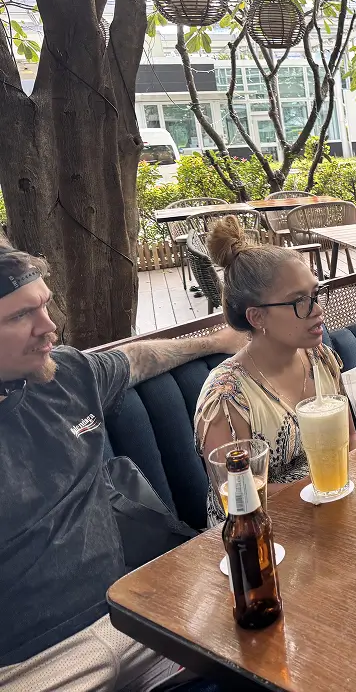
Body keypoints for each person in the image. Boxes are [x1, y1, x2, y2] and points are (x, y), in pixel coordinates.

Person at [0, 242, 248, 690]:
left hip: (138, 610)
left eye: (45, 305)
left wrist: (218, 341)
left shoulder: (65, 374)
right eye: (20, 316)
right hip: (37, 663)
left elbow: (138, 359)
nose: (49, 327)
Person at [194, 216, 356, 525]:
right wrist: (319, 494)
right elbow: (239, 495)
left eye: (316, 294)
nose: (317, 309)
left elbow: (350, 439)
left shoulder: (320, 358)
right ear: (257, 317)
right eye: (299, 302)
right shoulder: (227, 397)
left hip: (329, 510)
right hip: (256, 538)